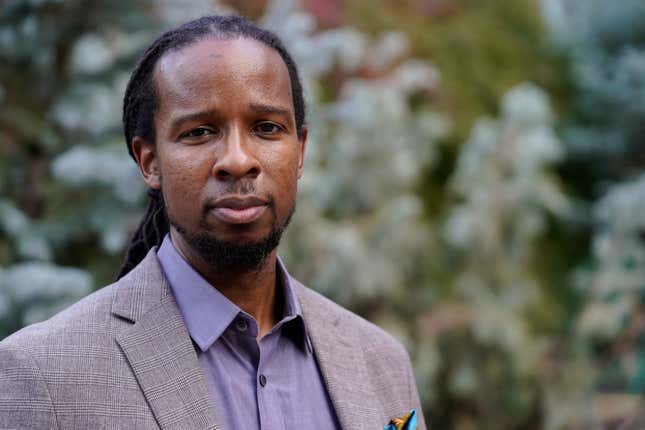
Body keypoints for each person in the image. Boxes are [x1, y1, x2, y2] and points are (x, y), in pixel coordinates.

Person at [0, 15, 426, 430]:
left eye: (266, 127)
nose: (238, 161)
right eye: (199, 132)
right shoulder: (44, 375)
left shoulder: (381, 363)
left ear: (299, 150)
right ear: (149, 161)